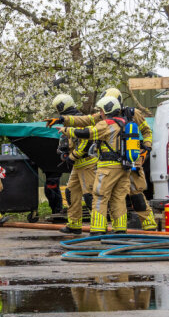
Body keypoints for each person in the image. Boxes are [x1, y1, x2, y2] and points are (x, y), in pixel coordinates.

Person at [57, 97, 129, 235]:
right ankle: (120, 229)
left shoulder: (106, 124)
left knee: (98, 196)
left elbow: (88, 134)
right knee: (118, 197)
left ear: (107, 110)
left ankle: (97, 229)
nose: (100, 113)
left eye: (101, 110)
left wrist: (67, 131)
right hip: (123, 166)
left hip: (107, 166)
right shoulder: (124, 123)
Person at [102, 88, 157, 232]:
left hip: (131, 158)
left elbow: (146, 131)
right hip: (113, 161)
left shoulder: (132, 113)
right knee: (115, 195)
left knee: (136, 193)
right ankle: (118, 227)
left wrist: (146, 147)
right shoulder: (103, 116)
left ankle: (149, 224)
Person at [51, 94, 96, 234]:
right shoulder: (68, 121)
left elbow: (86, 141)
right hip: (78, 165)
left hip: (88, 163)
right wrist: (63, 151)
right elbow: (65, 138)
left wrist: (72, 156)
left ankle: (98, 226)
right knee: (71, 192)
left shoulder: (81, 120)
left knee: (90, 196)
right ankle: (74, 224)